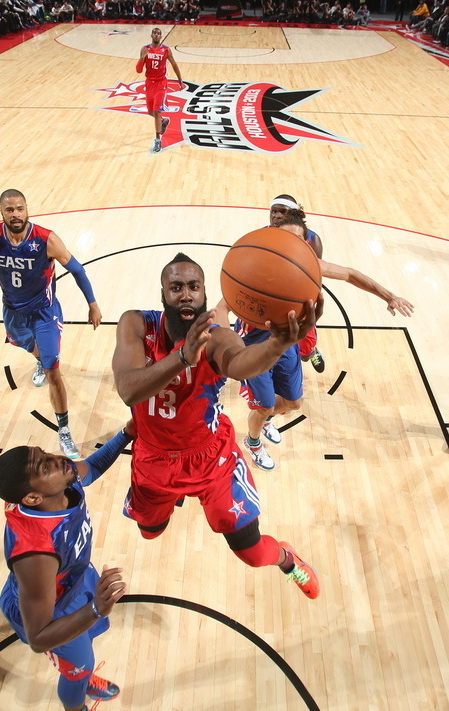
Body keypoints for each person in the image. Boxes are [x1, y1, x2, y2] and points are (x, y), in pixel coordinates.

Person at [111, 252, 323, 599]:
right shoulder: (135, 324)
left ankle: (288, 560)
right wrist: (181, 358)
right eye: (176, 287)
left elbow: (240, 363)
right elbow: (128, 390)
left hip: (210, 459)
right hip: (154, 459)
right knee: (150, 532)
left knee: (252, 553)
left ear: (205, 292)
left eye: (194, 287)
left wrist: (277, 345)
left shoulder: (217, 335)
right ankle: (174, 496)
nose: (186, 295)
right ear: (162, 293)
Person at [230, 209, 413, 471]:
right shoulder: (255, 266)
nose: (290, 247)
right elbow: (224, 305)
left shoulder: (308, 265)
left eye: (297, 242)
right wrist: (225, 342)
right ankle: (253, 441)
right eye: (284, 240)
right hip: (255, 347)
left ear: (305, 245)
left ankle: (267, 418)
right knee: (264, 405)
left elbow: (350, 274)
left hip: (285, 343)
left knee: (293, 403)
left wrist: (389, 296)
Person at [0, 425, 130, 711]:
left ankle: (84, 677)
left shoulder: (58, 482)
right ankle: (77, 701)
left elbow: (91, 466)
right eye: (44, 466)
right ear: (32, 498)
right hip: (50, 608)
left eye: (44, 453)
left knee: (90, 639)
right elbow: (38, 638)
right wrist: (96, 609)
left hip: (73, 578)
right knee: (78, 667)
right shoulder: (36, 554)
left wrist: (127, 433)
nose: (57, 458)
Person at [0, 189, 102, 460]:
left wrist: (92, 304)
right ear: (1, 211)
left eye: (19, 209)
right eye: (9, 210)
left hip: (44, 313)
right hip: (13, 313)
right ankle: (39, 359)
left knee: (53, 372)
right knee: (29, 348)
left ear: (27, 209)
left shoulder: (45, 239)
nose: (15, 214)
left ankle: (63, 430)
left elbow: (77, 270)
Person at [268, 194, 325, 372]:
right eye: (274, 211)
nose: (276, 215)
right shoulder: (263, 235)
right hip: (274, 298)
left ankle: (311, 351)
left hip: (299, 300)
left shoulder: (312, 239)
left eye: (282, 212)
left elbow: (316, 275)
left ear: (292, 214)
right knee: (273, 348)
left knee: (304, 352)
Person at [135, 27, 182, 153]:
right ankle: (163, 121)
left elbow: (174, 64)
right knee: (150, 112)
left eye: (159, 33)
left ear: (161, 37)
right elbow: (138, 71)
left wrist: (180, 80)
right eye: (155, 32)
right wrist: (141, 58)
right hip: (149, 83)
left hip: (161, 84)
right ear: (151, 35)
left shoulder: (166, 50)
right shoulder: (145, 49)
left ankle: (157, 140)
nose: (156, 35)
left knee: (156, 111)